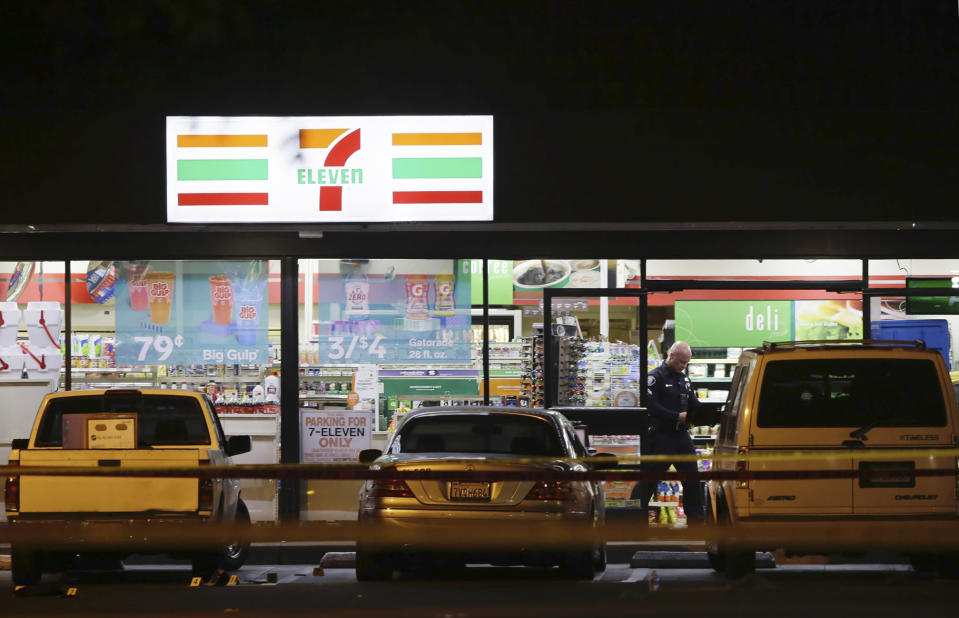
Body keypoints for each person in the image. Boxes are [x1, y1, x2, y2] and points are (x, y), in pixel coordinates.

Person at [633, 340, 705, 526]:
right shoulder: (655, 377)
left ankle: (696, 521)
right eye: (681, 362)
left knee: (692, 479)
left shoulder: (684, 379)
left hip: (681, 436)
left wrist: (705, 413)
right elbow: (651, 406)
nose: (684, 366)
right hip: (661, 437)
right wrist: (676, 416)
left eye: (687, 362)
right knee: (649, 479)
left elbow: (693, 402)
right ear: (671, 356)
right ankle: (634, 519)